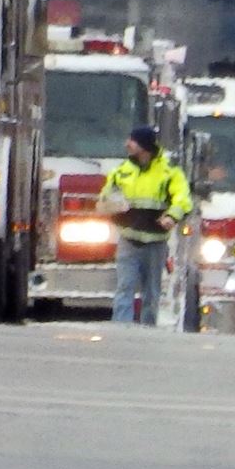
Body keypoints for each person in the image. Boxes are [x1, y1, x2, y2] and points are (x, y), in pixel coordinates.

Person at [100, 124, 193, 327]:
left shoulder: (169, 173)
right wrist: (111, 205)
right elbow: (106, 197)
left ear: (144, 146)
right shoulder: (121, 172)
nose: (127, 144)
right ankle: (121, 330)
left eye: (132, 140)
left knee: (151, 292)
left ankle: (146, 330)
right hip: (128, 240)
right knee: (125, 287)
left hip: (156, 243)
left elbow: (183, 200)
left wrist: (171, 216)